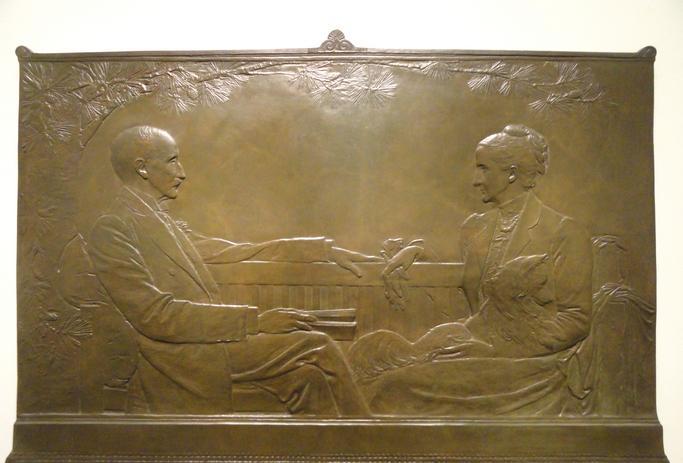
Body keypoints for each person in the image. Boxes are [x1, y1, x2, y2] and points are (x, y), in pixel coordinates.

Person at [88, 125, 372, 416]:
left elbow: (236, 251)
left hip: (209, 344)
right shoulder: (114, 228)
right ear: (142, 168)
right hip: (181, 358)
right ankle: (372, 436)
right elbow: (155, 316)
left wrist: (320, 250)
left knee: (308, 379)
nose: (182, 173)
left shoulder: (160, 221)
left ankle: (335, 445)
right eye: (172, 161)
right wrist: (257, 322)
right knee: (319, 346)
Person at [349, 125, 593, 416]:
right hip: (470, 344)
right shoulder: (476, 227)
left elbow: (575, 320)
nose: (476, 180)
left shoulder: (564, 232)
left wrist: (500, 348)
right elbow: (462, 268)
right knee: (371, 355)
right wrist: (416, 250)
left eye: (483, 169)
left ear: (511, 173)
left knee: (393, 385)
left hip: (527, 364)